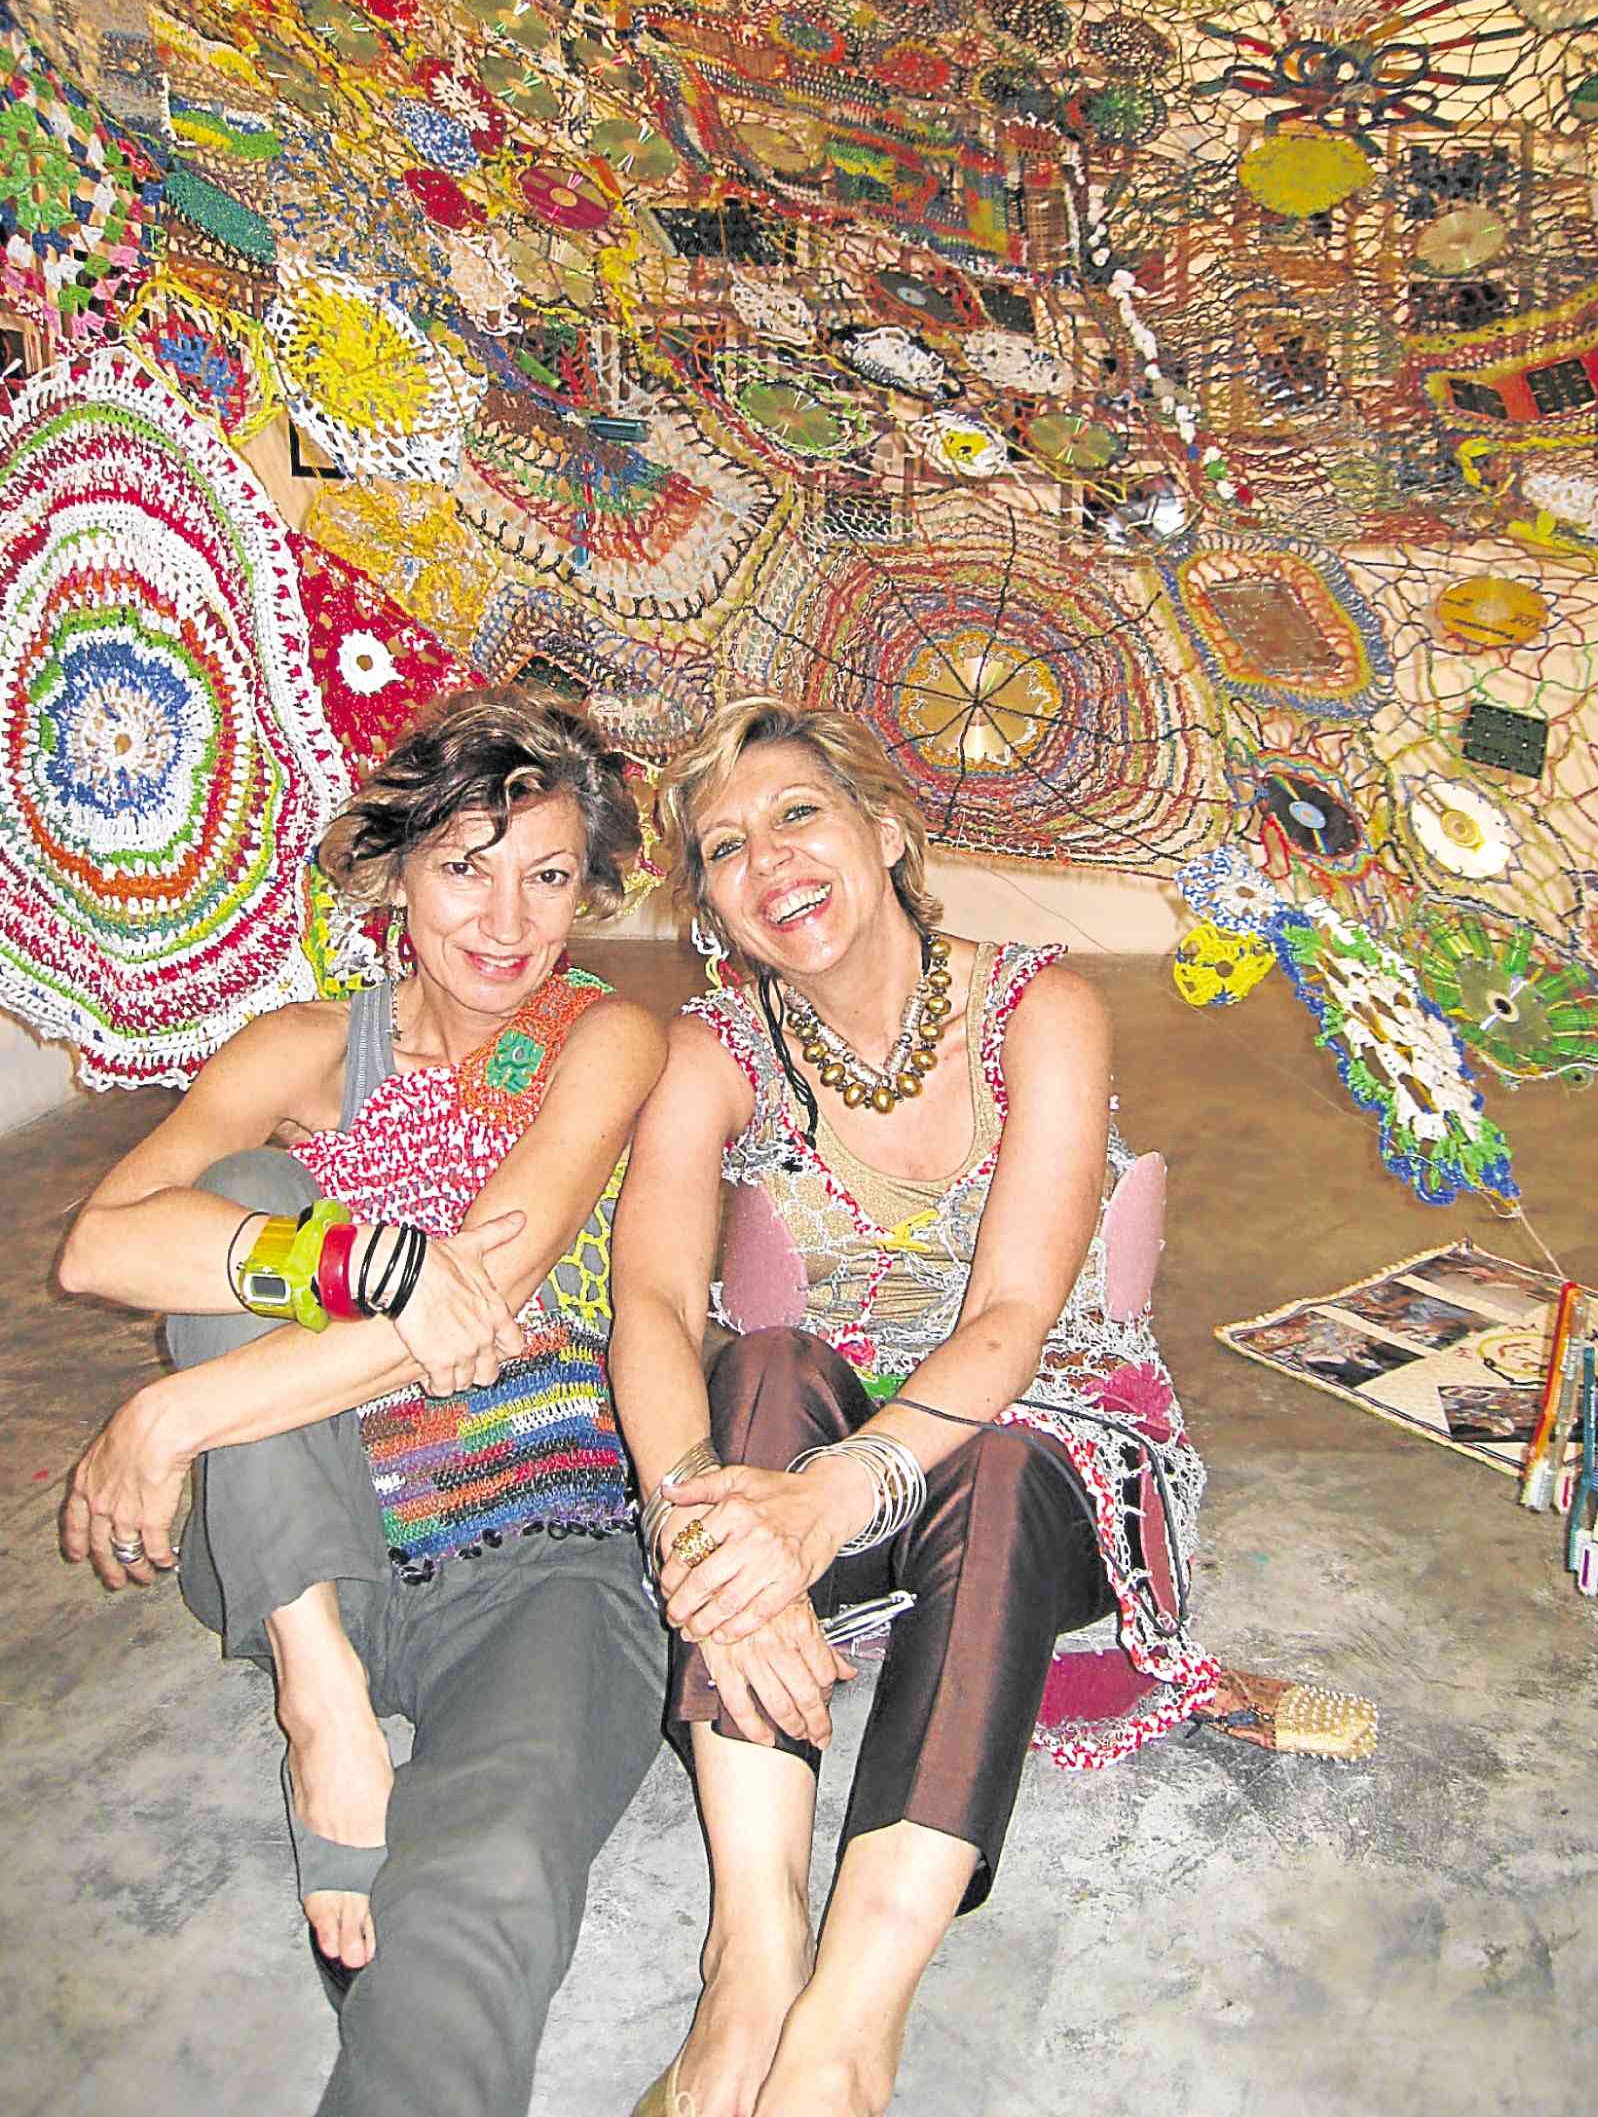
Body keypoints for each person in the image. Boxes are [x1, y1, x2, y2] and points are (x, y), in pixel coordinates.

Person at [609, 699, 1374, 2117]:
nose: (768, 859)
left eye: (798, 813)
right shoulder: (712, 1050)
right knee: (760, 1369)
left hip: (1046, 1448)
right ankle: (752, 1960)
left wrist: (829, 1499)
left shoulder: (1043, 1008)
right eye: (724, 846)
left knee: (1006, 1464)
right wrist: (704, 1529)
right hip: (816, 1460)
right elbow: (651, 1306)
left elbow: (1014, 1319)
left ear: (888, 833)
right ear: (710, 905)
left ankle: (847, 2030)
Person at [58, 688, 669, 2117]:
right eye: (465, 867)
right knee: (250, 1192)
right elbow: (101, 1247)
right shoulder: (299, 1049)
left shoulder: (606, 1040)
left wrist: (166, 1419)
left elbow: (490, 1287)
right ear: (394, 873)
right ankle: (319, 1692)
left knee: (488, 1875)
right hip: (307, 1543)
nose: (507, 921)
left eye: (548, 876)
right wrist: (373, 1259)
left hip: (540, 1546)